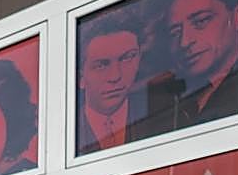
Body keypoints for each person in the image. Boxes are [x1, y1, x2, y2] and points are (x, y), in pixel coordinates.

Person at [76, 11, 180, 155]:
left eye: (127, 58)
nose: (115, 76)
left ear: (139, 59)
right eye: (101, 65)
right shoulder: (68, 131)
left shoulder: (166, 111)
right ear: (81, 78)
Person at [166, 0, 238, 127]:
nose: (184, 42)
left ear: (237, 17)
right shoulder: (175, 101)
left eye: (201, 21)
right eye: (175, 33)